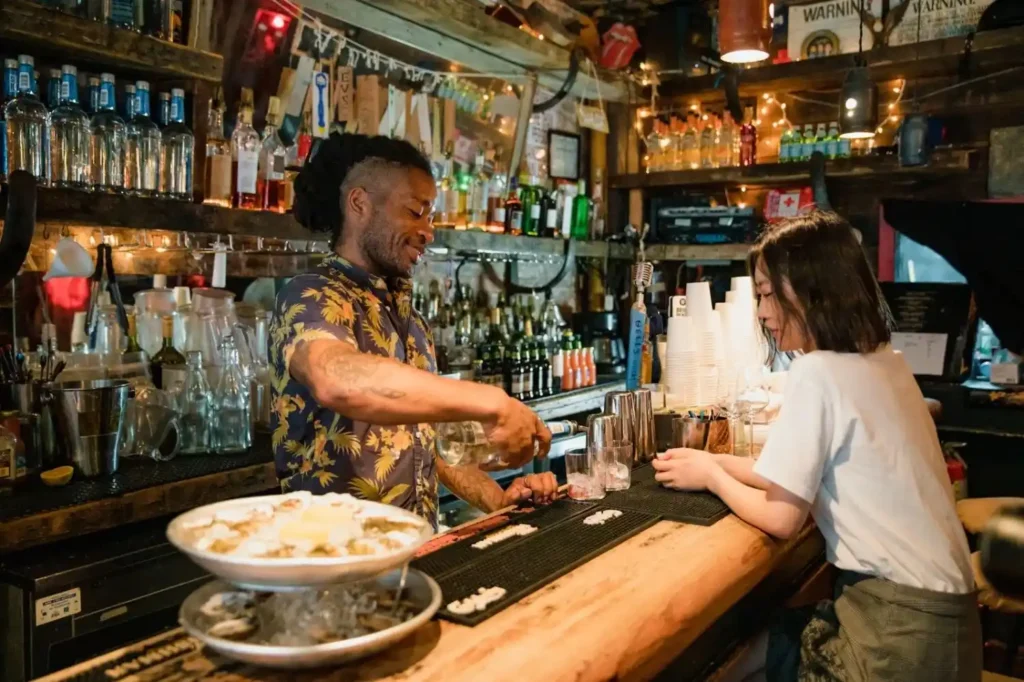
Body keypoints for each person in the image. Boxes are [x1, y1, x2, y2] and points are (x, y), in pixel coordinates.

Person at [652, 211, 980, 682]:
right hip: (950, 628)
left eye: (767, 294)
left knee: (730, 657)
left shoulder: (818, 370)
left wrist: (712, 478)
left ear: (811, 290)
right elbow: (794, 475)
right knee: (754, 649)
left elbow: (781, 517)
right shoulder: (885, 361)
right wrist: (715, 459)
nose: (762, 313)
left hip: (897, 633)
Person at [269, 132, 555, 530]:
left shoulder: (411, 322)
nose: (428, 231)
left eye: (430, 217)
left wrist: (499, 500)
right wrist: (493, 402)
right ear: (360, 204)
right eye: (415, 212)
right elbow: (335, 378)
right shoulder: (310, 296)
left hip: (417, 549)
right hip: (334, 553)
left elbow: (428, 444)